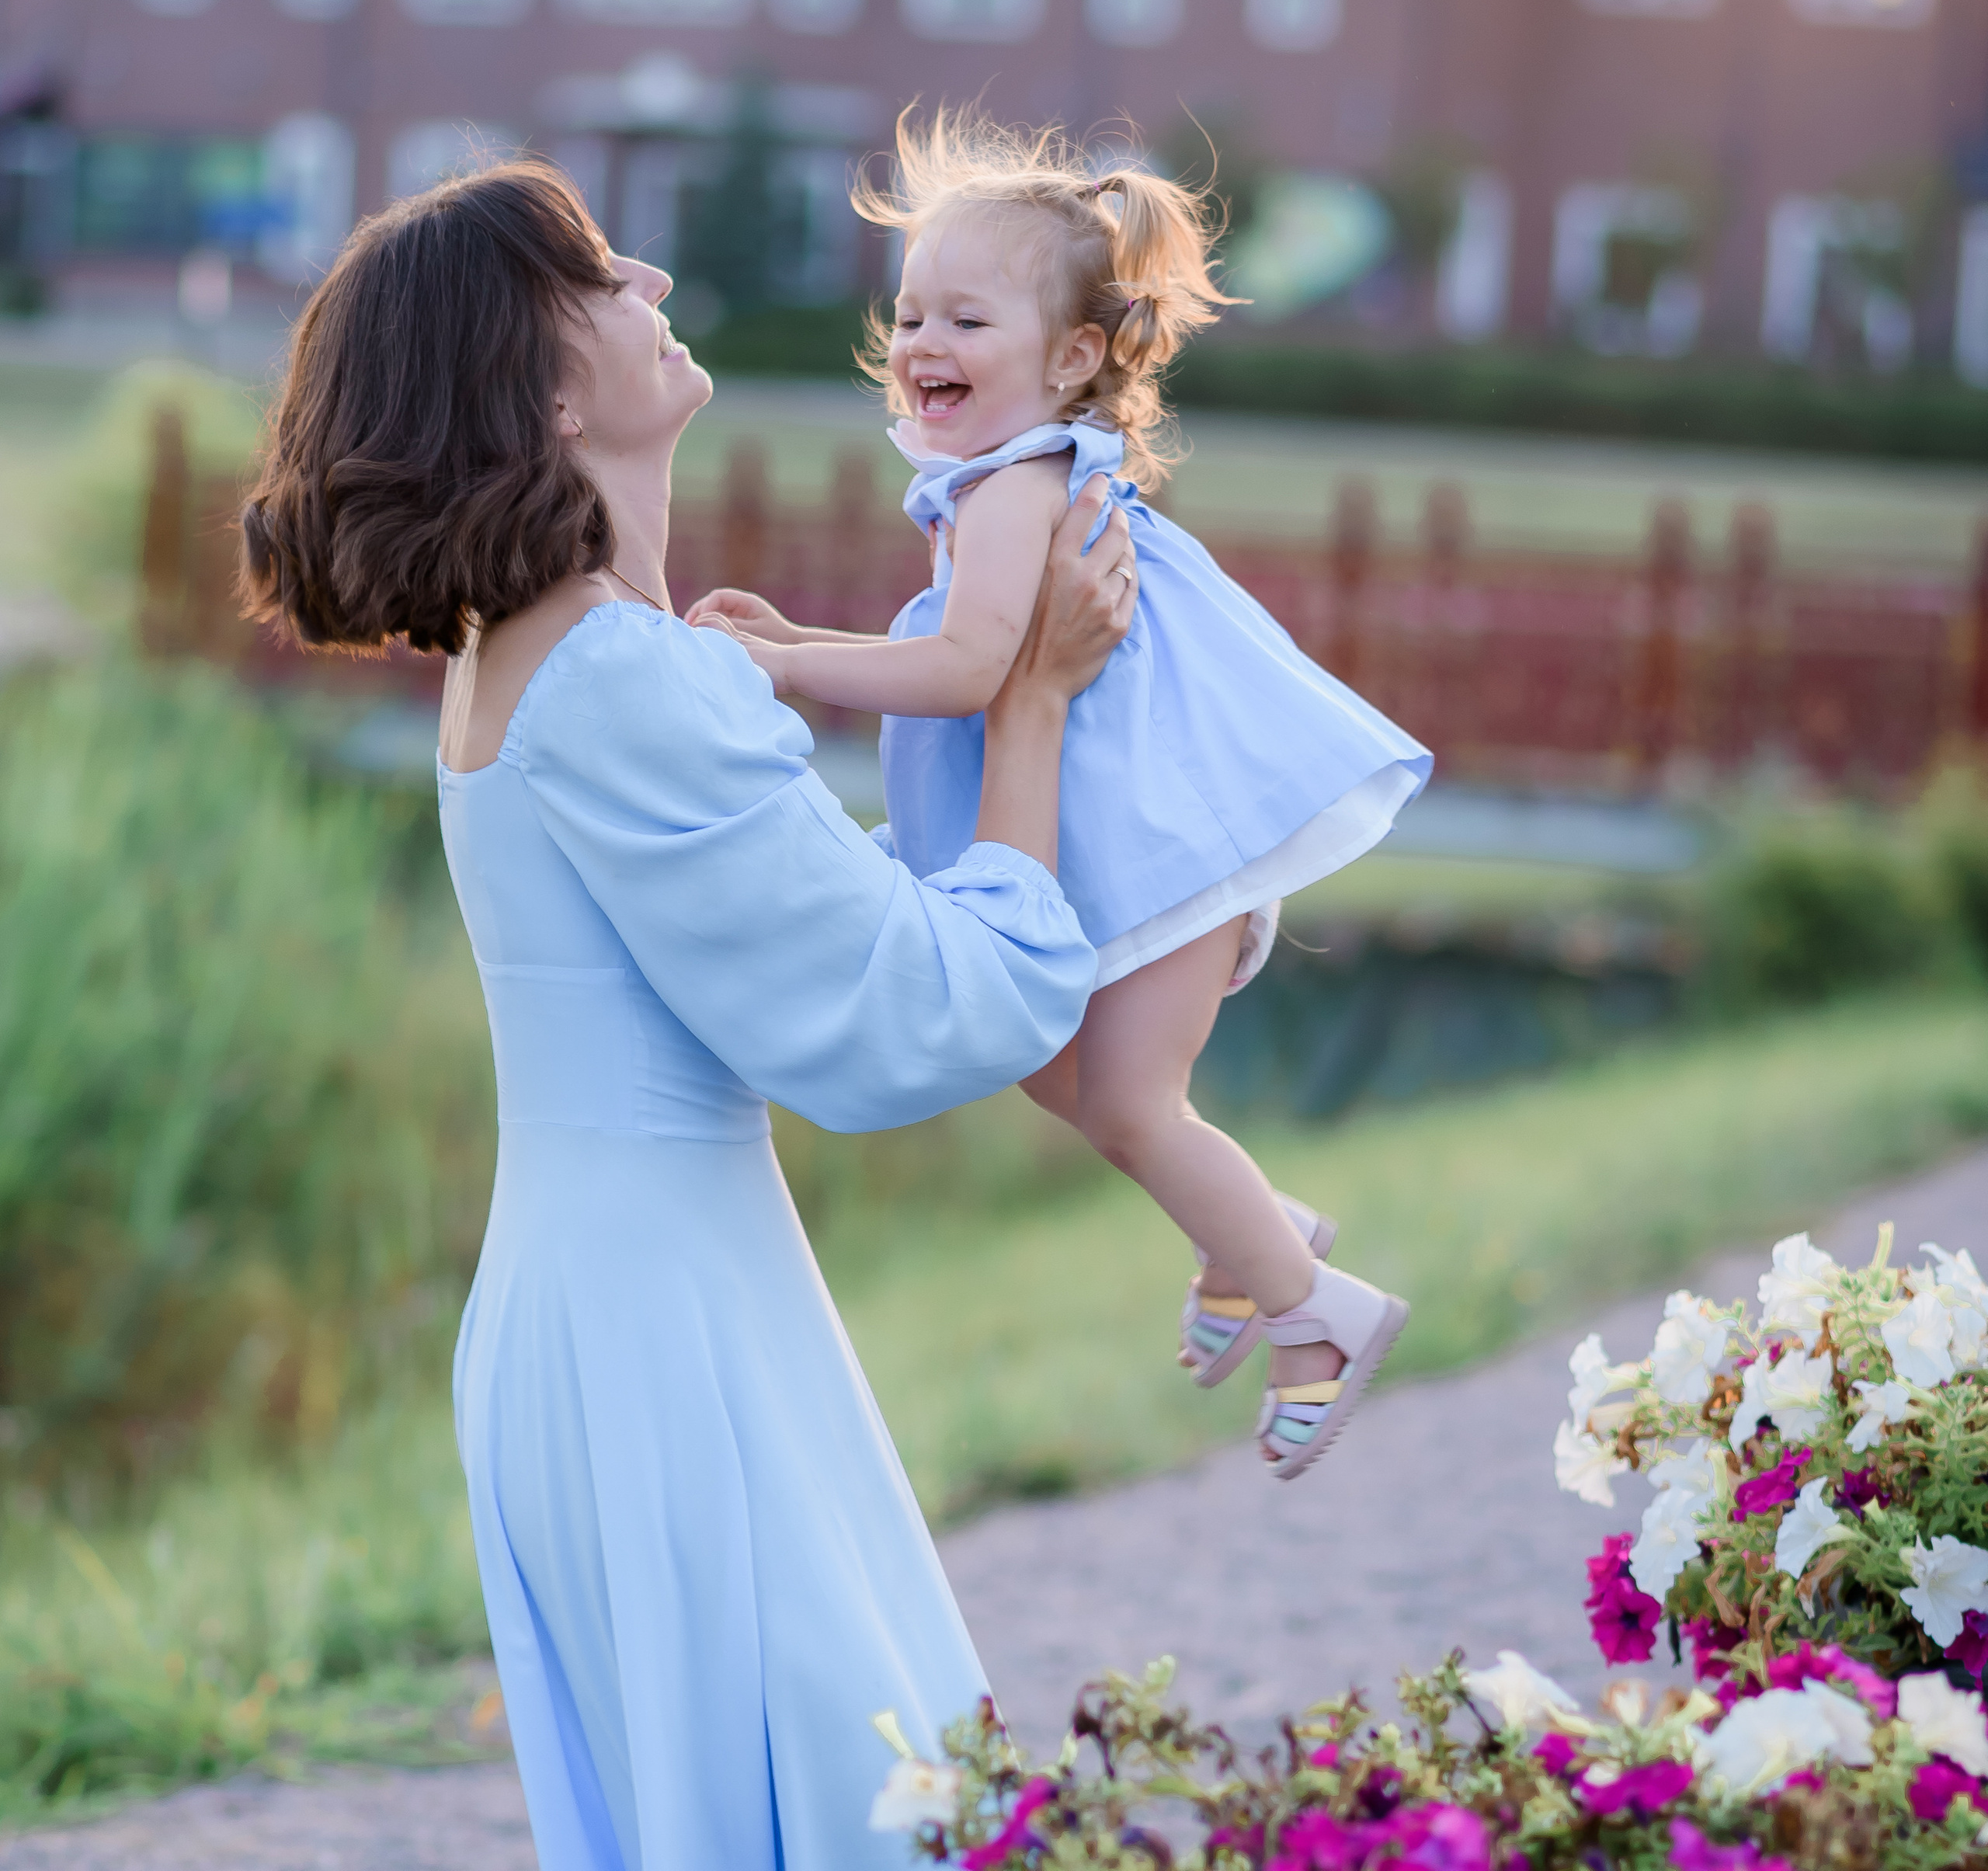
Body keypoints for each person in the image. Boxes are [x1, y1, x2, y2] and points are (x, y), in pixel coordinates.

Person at [239, 160, 1138, 1871]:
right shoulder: (614, 674)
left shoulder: (551, 655)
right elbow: (921, 1019)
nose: (648, 267)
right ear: (551, 383)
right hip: (661, 1329)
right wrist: (1026, 705)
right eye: (593, 267)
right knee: (862, 1806)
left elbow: (794, 933)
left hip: (620, 1299)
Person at [690, 113, 1433, 1480]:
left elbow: (972, 669)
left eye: (965, 318)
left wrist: (791, 661)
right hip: (1115, 844)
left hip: (1155, 848)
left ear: (1076, 357)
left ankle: (1316, 1314)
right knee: (1044, 1065)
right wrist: (806, 640)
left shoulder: (1017, 489)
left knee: (1132, 1107)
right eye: (911, 312)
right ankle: (1249, 1232)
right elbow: (964, 652)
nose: (922, 344)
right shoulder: (1004, 486)